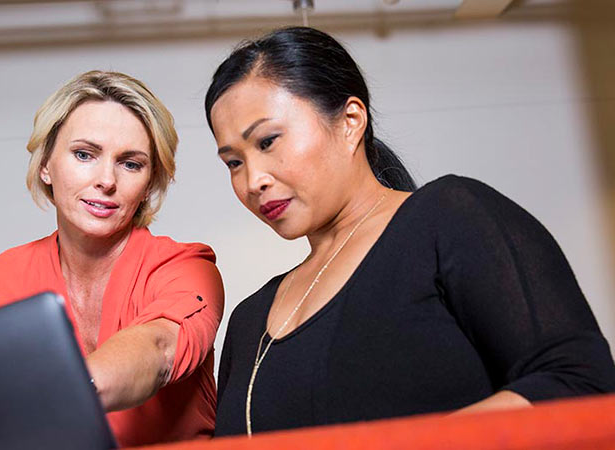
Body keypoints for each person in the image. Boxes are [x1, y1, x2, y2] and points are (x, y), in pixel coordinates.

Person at [204, 27, 615, 437]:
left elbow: (577, 380)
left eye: (268, 141)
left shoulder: (448, 218)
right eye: (233, 163)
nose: (252, 180)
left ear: (350, 122)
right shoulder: (248, 320)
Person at [0, 70, 224, 446]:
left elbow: (159, 348)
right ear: (46, 166)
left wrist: (55, 395)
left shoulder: (187, 268)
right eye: (84, 154)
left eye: (131, 163)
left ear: (150, 183)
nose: (106, 180)